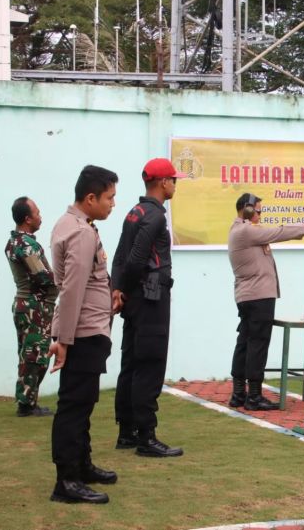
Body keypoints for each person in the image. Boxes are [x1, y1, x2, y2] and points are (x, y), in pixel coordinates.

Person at [47, 165, 119, 504]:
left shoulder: (73, 224)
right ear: (90, 198)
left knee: (83, 402)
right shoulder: (81, 232)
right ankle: (67, 480)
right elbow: (72, 289)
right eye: (109, 197)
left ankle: (81, 465)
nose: (112, 204)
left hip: (86, 328)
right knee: (74, 407)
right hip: (84, 332)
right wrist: (63, 339)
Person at [111, 158, 185, 458]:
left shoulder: (135, 211)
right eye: (174, 180)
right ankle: (146, 436)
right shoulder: (154, 216)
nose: (175, 185)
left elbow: (119, 257)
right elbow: (135, 259)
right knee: (150, 364)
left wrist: (119, 290)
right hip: (150, 297)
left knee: (131, 363)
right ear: (163, 182)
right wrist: (127, 289)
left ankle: (127, 432)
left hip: (135, 298)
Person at [227, 194, 304, 410]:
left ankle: (239, 394)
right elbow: (278, 232)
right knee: (258, 344)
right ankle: (253, 396)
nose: (261, 215)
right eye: (258, 211)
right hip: (258, 297)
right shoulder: (245, 231)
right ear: (247, 209)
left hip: (250, 296)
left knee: (245, 342)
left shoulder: (241, 230)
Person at [5, 197, 58, 417]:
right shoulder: (26, 245)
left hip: (30, 305)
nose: (40, 216)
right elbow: (43, 277)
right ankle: (26, 403)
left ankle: (28, 400)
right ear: (27, 219)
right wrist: (64, 279)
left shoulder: (17, 242)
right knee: (34, 355)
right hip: (34, 307)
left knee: (33, 353)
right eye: (37, 213)